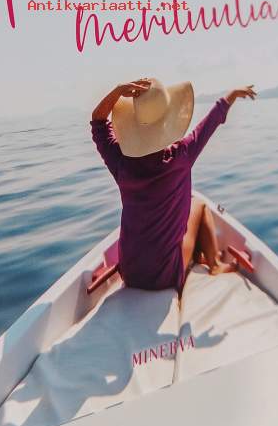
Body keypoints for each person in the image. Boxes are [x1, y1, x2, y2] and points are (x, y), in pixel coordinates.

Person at [90, 77, 256, 294]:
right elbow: (211, 122)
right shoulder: (181, 156)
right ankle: (215, 265)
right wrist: (232, 94)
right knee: (199, 205)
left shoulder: (121, 163)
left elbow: (98, 122)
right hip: (165, 277)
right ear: (167, 121)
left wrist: (117, 91)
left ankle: (197, 253)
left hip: (130, 273)